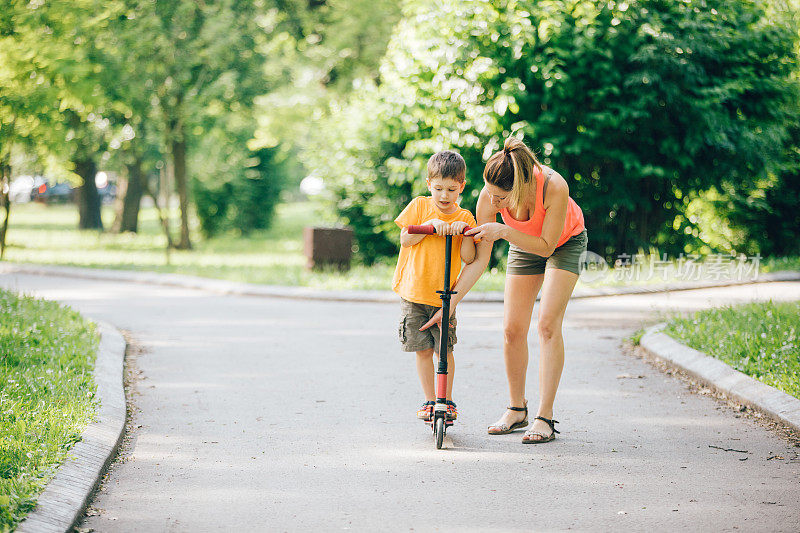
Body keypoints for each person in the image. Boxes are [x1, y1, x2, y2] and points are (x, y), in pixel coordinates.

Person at [421, 137, 586, 443]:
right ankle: (517, 409)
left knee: (548, 324)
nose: (492, 203)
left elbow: (547, 245)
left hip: (563, 243)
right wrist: (451, 302)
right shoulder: (489, 194)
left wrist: (506, 231)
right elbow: (479, 260)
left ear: (520, 187)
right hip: (523, 243)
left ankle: (544, 417)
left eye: (500, 199)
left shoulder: (554, 186)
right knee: (512, 329)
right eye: (490, 195)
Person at [392, 150, 477, 423]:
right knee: (423, 349)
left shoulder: (465, 216)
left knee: (444, 350)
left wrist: (461, 231)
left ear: (461, 187)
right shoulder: (419, 206)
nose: (444, 195)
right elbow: (406, 239)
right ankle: (430, 400)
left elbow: (469, 258)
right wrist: (429, 225)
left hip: (444, 296)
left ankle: (446, 400)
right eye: (438, 188)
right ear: (429, 184)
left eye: (451, 189)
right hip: (415, 292)